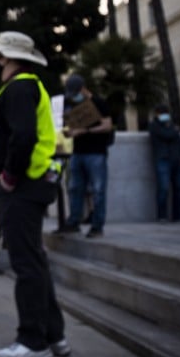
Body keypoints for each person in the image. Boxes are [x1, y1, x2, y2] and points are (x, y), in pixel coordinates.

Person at [0, 31, 69, 357]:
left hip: (21, 187)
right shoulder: (27, 87)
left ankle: (32, 340)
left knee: (26, 263)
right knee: (35, 261)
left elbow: (24, 135)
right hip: (31, 186)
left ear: (5, 56)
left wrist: (8, 176)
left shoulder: (18, 88)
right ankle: (54, 335)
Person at [58, 73, 113, 238]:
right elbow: (69, 127)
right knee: (75, 188)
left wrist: (86, 131)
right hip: (77, 152)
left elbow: (107, 125)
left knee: (98, 190)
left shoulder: (99, 103)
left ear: (83, 89)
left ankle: (97, 225)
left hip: (96, 152)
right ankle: (73, 221)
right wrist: (68, 133)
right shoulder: (73, 105)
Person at [148, 103, 180, 222]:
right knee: (163, 188)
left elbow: (178, 142)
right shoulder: (154, 126)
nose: (164, 116)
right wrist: (174, 130)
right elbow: (167, 135)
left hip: (177, 160)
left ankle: (178, 216)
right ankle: (162, 216)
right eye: (162, 113)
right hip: (163, 159)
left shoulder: (172, 125)